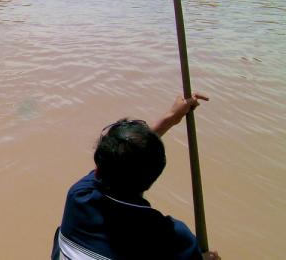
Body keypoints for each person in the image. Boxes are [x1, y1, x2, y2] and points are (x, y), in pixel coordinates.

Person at [52, 94, 221, 260]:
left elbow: (115, 160)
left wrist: (170, 118)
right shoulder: (170, 237)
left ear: (98, 170)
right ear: (154, 177)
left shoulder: (78, 197)